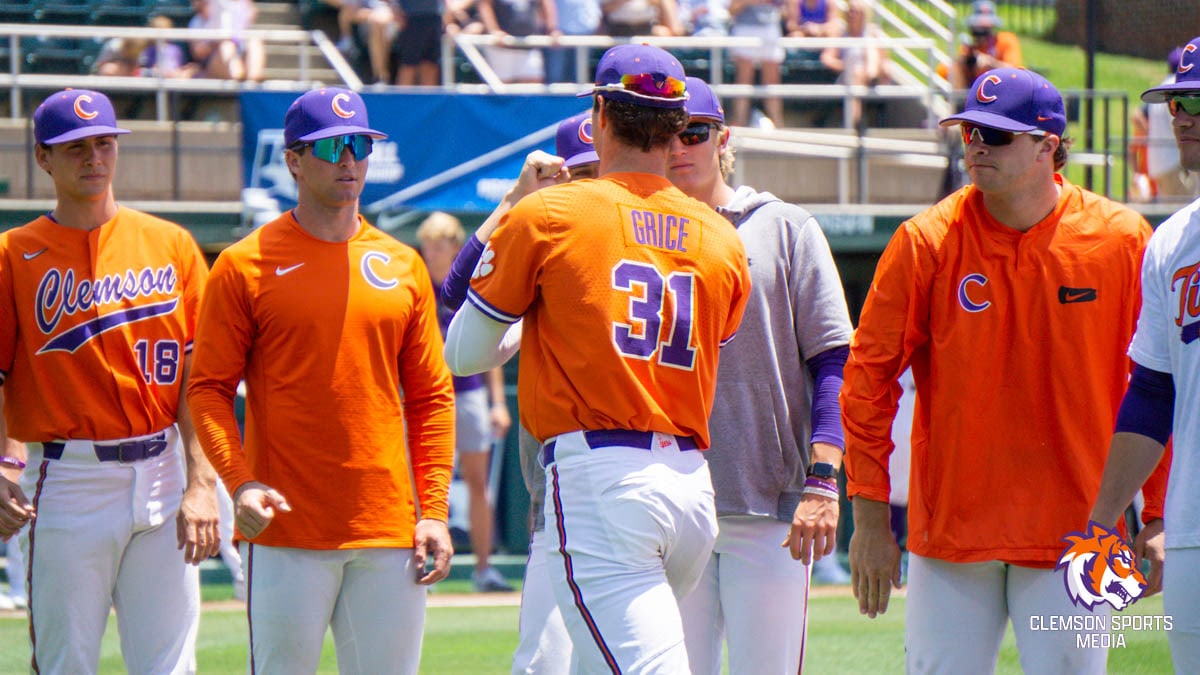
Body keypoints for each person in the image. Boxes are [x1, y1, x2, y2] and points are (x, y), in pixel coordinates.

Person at [841, 67, 1171, 674]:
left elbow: (1158, 385)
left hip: (1085, 529)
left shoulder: (1124, 239)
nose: (976, 146)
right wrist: (867, 514)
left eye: (996, 136)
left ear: (1050, 145)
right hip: (951, 533)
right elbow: (867, 381)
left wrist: (1157, 512)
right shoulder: (925, 241)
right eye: (970, 131)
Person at [443, 44, 752, 672]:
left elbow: (464, 352)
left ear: (602, 113)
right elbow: (710, 347)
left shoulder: (550, 213)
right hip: (692, 487)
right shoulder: (721, 233)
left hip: (600, 482)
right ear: (675, 129)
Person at [187, 87, 456, 674]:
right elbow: (207, 390)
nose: (349, 161)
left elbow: (433, 399)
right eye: (332, 146)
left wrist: (433, 509)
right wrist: (238, 483)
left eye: (359, 145)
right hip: (284, 526)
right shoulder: (241, 264)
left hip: (388, 528)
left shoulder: (403, 263)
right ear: (292, 160)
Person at [0, 88, 220, 674]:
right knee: (66, 663)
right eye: (75, 148)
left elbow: (199, 381)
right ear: (43, 158)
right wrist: (3, 465)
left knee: (171, 666)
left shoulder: (171, 244)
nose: (94, 158)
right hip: (69, 478)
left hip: (164, 470)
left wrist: (202, 482)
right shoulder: (14, 254)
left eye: (104, 143)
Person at [667, 76, 853, 674]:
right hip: (667, 496)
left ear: (724, 139)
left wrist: (824, 478)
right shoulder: (631, 230)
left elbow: (832, 361)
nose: (680, 146)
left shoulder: (784, 226)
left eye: (694, 132)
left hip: (767, 504)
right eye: (667, 133)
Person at [438, 109, 597, 672]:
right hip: (554, 503)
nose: (586, 185)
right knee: (544, 663)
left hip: (629, 489)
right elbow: (459, 303)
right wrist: (512, 203)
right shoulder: (543, 252)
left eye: (597, 171)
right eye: (575, 174)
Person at [1090, 35, 1200, 674]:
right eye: (1175, 102)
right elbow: (1153, 392)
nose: (1180, 116)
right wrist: (1106, 516)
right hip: (1191, 532)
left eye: (1195, 101)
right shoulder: (1172, 244)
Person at [415, 212, 515, 592]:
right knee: (419, 485)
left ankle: (483, 569)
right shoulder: (416, 280)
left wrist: (497, 403)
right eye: (427, 245)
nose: (432, 252)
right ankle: (422, 567)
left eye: (439, 245)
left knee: (477, 483)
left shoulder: (471, 282)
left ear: (455, 246)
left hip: (469, 392)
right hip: (424, 395)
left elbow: (486, 344)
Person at [819, 0, 889, 129]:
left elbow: (884, 59)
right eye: (850, 10)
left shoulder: (871, 32)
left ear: (863, 14)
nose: (852, 14)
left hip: (869, 74)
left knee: (870, 48)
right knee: (856, 75)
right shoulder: (840, 33)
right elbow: (827, 58)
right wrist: (846, 66)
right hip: (847, 75)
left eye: (856, 11)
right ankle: (852, 125)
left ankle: (851, 125)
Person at [728, 0, 787, 128]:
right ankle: (739, 125)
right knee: (743, 81)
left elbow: (785, 8)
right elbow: (732, 9)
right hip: (745, 29)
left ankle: (779, 126)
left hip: (770, 28)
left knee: (772, 82)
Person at [946, 0, 1022, 90]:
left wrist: (990, 63)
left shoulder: (1006, 40)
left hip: (1005, 89)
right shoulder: (969, 47)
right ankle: (957, 102)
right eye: (978, 27)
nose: (980, 31)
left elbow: (1016, 72)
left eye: (985, 28)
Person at [394, 0, 443, 85]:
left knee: (430, 64)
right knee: (409, 64)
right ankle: (402, 98)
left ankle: (428, 98)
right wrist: (395, 10)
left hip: (434, 16)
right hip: (411, 16)